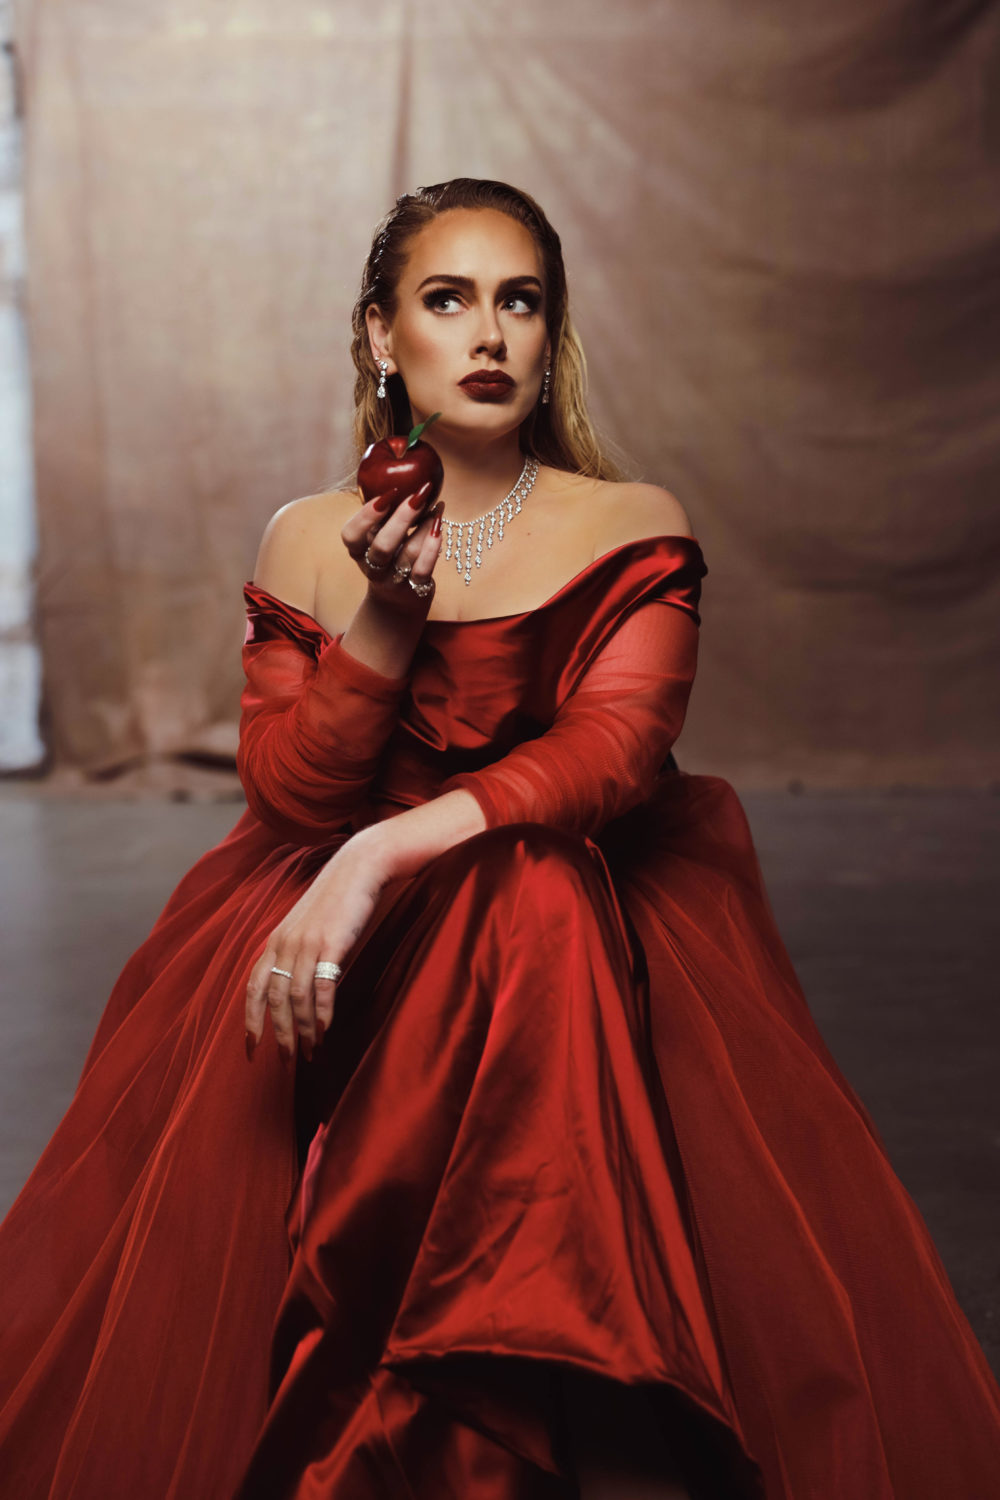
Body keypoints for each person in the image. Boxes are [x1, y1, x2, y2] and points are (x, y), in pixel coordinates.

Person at [0, 177, 998, 1500]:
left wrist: (377, 856)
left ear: (549, 332)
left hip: (567, 919)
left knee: (534, 886)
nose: (488, 334)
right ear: (382, 333)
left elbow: (614, 754)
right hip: (366, 955)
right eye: (447, 299)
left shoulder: (634, 521)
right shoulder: (310, 535)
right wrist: (385, 620)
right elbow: (294, 801)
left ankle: (492, 1394)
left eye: (519, 302)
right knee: (514, 897)